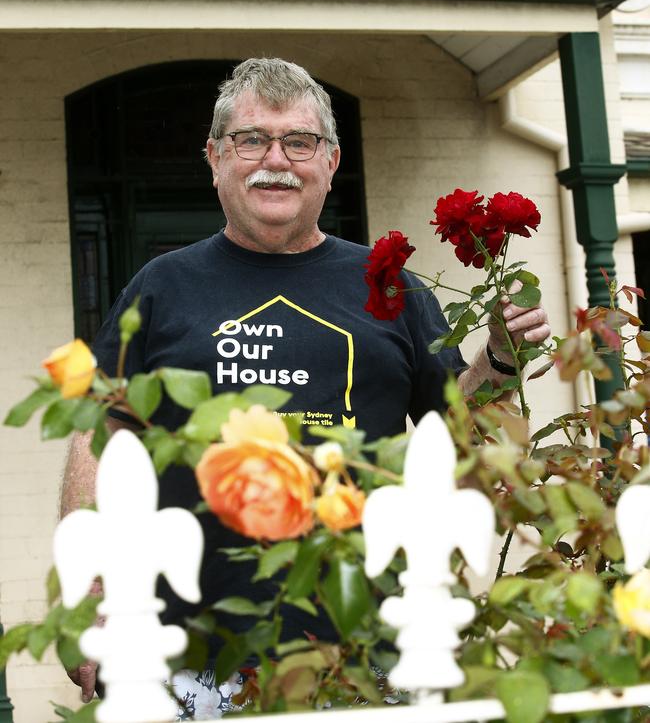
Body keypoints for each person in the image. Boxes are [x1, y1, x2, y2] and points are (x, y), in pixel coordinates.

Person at [60, 58, 550, 716]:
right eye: (251, 139)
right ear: (213, 158)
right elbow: (101, 432)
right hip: (188, 657)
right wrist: (87, 592)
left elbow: (461, 434)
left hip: (364, 650)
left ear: (331, 160)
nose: (276, 159)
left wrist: (502, 358)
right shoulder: (161, 285)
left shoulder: (392, 286)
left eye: (299, 141)